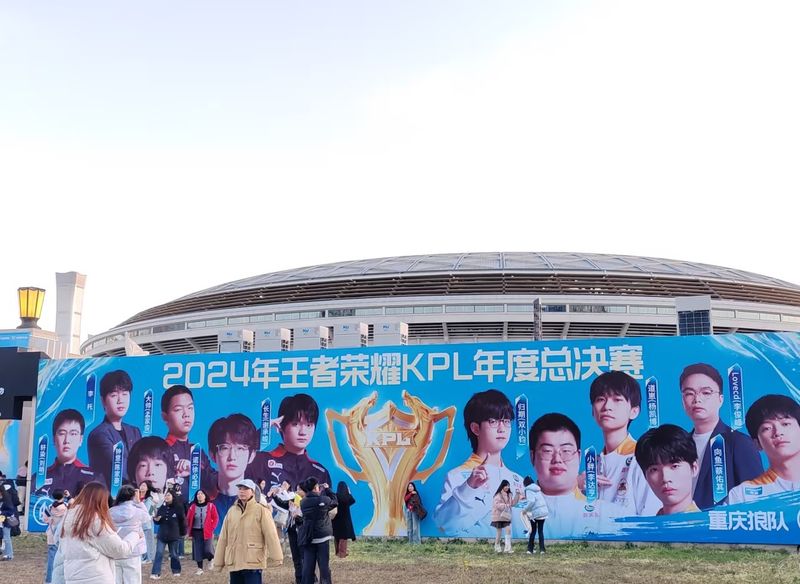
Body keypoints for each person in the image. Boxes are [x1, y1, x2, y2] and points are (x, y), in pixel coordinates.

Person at [435, 389, 525, 536]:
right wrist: (469, 487)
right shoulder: (458, 476)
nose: (502, 429)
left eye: (506, 422)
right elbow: (444, 526)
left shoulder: (518, 481)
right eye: (493, 421)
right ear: (476, 428)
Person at [678, 363, 763, 509]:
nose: (697, 399)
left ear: (720, 399)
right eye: (689, 393)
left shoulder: (739, 443)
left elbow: (756, 501)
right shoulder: (679, 445)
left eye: (706, 393)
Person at [528, 413, 624, 539]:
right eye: (547, 451)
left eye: (566, 451)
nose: (557, 459)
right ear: (532, 457)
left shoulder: (609, 515)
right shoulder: (514, 513)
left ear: (579, 457)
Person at [584, 371, 659, 516]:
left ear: (634, 411)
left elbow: (651, 516)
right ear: (593, 411)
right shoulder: (594, 462)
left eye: (617, 399)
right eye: (600, 399)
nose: (607, 406)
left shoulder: (643, 457)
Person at [57, 481, 142, 584]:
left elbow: (60, 545)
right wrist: (135, 535)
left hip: (72, 577)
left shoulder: (68, 516)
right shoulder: (95, 520)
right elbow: (120, 550)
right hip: (96, 577)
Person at [246, 394, 331, 491]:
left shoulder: (320, 472)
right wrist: (265, 428)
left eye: (308, 425)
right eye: (295, 424)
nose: (303, 432)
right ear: (281, 425)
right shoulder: (260, 461)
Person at [728, 394, 800, 504]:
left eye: (785, 424)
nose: (778, 432)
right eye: (767, 428)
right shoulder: (742, 496)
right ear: (757, 443)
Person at [212, 478, 283, 584]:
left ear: (253, 492)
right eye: (240, 488)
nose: (242, 491)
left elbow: (271, 534)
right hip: (234, 560)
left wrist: (277, 557)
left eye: (245, 489)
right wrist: (218, 562)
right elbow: (223, 538)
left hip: (253, 560)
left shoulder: (261, 510)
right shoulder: (232, 511)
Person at [87, 370, 143, 489]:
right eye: (114, 395)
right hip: (108, 500)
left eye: (124, 394)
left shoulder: (135, 431)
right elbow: (118, 468)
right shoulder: (99, 434)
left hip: (132, 497)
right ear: (103, 400)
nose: (120, 400)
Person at [32, 409, 103, 497]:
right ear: (54, 439)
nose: (67, 440)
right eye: (62, 434)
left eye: (73, 434)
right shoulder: (38, 478)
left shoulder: (93, 478)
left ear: (81, 440)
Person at [634, 424, 700, 515]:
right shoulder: (649, 527)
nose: (665, 478)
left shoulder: (705, 527)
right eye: (654, 469)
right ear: (646, 476)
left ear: (694, 468)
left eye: (675, 466)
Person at [204, 414, 258, 522]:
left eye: (240, 448)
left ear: (251, 455)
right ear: (212, 454)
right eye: (224, 448)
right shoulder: (202, 502)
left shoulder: (259, 504)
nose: (232, 457)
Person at [161, 385, 207, 485]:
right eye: (178, 409)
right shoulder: (161, 451)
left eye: (190, 408)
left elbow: (213, 489)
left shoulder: (197, 451)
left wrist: (195, 469)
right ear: (165, 417)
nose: (186, 414)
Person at [109, 484, 151, 583]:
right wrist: (139, 502)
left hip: (115, 549)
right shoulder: (137, 511)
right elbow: (147, 518)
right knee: (133, 580)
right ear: (133, 496)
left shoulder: (110, 511)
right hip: (133, 551)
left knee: (116, 580)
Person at [298, 477, 337, 584]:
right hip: (323, 538)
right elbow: (335, 501)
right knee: (324, 566)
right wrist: (328, 490)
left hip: (309, 537)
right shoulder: (324, 500)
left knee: (308, 567)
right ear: (316, 487)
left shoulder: (303, 502)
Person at [151, 489, 186, 579]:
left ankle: (176, 570)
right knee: (159, 553)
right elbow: (157, 521)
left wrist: (182, 533)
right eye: (166, 495)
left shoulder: (178, 508)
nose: (166, 497)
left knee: (174, 554)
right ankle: (155, 572)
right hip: (162, 535)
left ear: (173, 497)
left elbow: (182, 522)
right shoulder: (162, 507)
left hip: (174, 535)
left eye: (169, 495)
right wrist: (156, 520)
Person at [186, 489, 219, 575]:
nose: (199, 495)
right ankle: (200, 569)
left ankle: (211, 559)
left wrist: (212, 527)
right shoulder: (192, 507)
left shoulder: (211, 506)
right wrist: (188, 531)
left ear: (205, 496)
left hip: (207, 531)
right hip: (196, 531)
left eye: (201, 494)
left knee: (208, 549)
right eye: (198, 494)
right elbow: (188, 519)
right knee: (198, 550)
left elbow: (216, 518)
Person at [44, 489, 68, 582]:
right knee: (63, 560)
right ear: (63, 496)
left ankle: (49, 580)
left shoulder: (49, 507)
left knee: (51, 559)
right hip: (63, 535)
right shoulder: (66, 507)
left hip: (51, 534)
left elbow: (45, 519)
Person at [491, 479, 520, 553]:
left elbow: (513, 503)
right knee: (499, 533)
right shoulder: (498, 495)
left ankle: (507, 548)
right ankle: (497, 546)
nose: (507, 487)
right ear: (502, 486)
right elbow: (497, 505)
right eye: (506, 485)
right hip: (498, 516)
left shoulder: (509, 495)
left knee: (508, 530)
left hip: (506, 516)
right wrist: (506, 505)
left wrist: (517, 495)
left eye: (508, 486)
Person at [522, 476, 548, 554]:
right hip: (543, 512)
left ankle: (530, 549)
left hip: (536, 513)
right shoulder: (537, 489)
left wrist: (524, 510)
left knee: (533, 531)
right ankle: (542, 550)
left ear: (525, 483)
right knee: (540, 531)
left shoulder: (528, 489)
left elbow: (531, 501)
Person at [331, 481, 356, 558]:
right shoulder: (347, 497)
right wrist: (349, 492)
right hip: (345, 520)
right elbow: (353, 501)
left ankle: (337, 552)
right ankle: (342, 553)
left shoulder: (335, 496)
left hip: (336, 520)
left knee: (337, 536)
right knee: (343, 538)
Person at [139, 481, 158, 563]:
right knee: (140, 542)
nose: (142, 487)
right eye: (141, 485)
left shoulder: (150, 499)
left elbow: (152, 512)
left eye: (144, 485)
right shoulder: (137, 497)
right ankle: (142, 557)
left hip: (147, 524)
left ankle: (150, 558)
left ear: (148, 488)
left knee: (148, 541)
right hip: (138, 524)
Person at [0, 484, 19, 561]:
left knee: (7, 538)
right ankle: (6, 553)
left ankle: (9, 555)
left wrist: (1, 513)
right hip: (1, 521)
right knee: (4, 538)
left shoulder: (6, 499)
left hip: (6, 521)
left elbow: (11, 511)